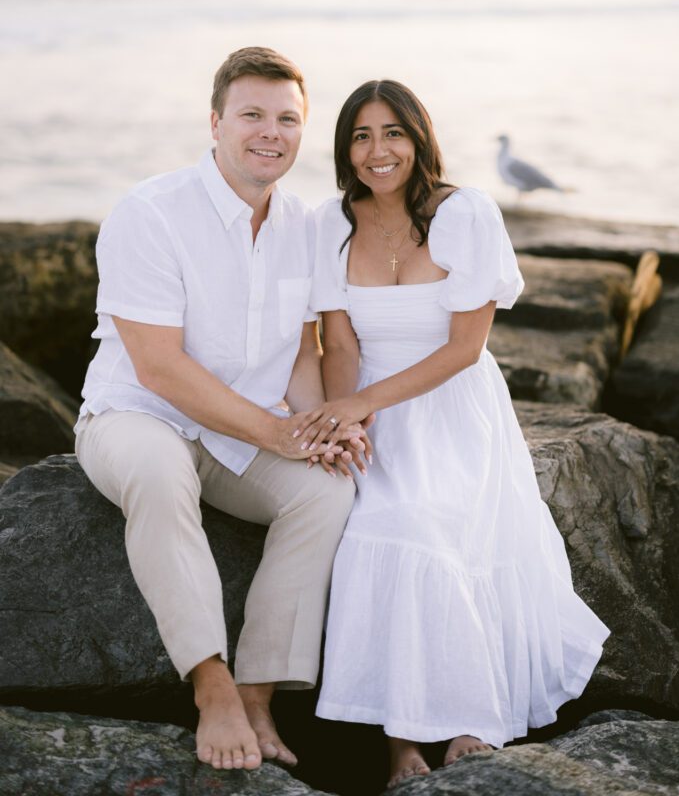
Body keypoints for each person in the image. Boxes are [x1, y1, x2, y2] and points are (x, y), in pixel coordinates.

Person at [294, 79, 610, 788]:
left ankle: (470, 719)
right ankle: (399, 740)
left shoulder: (464, 212)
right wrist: (347, 420)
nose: (378, 151)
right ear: (344, 149)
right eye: (360, 136)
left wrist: (363, 400)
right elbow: (336, 344)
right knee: (379, 523)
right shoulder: (327, 222)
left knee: (435, 525)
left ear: (419, 138)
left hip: (453, 404)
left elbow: (464, 349)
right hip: (371, 409)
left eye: (393, 133)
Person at [74, 47, 369, 774]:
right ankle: (210, 684)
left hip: (238, 433)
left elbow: (303, 354)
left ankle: (259, 689)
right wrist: (275, 431)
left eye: (288, 119)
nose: (271, 132)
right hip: (136, 416)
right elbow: (157, 365)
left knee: (328, 491)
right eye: (252, 116)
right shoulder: (150, 212)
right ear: (215, 122)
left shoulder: (306, 224)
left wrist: (316, 430)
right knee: (156, 472)